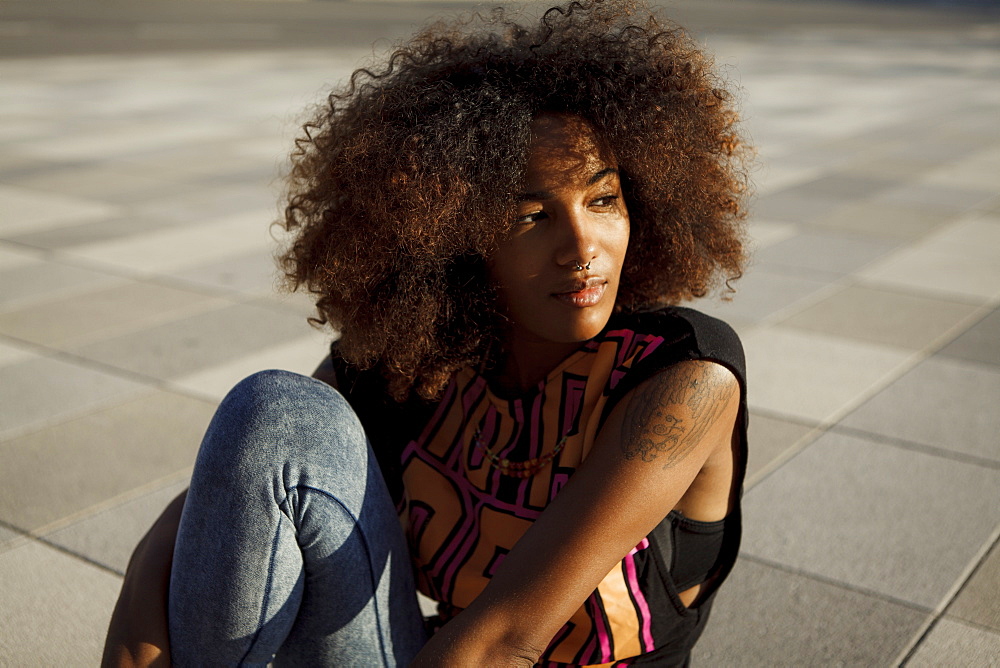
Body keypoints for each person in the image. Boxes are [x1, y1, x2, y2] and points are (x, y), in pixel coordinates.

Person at [103, 0, 752, 665]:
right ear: (459, 238)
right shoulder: (426, 364)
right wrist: (135, 624)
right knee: (275, 407)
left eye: (602, 200)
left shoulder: (682, 377)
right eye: (533, 215)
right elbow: (218, 501)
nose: (582, 245)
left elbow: (505, 642)